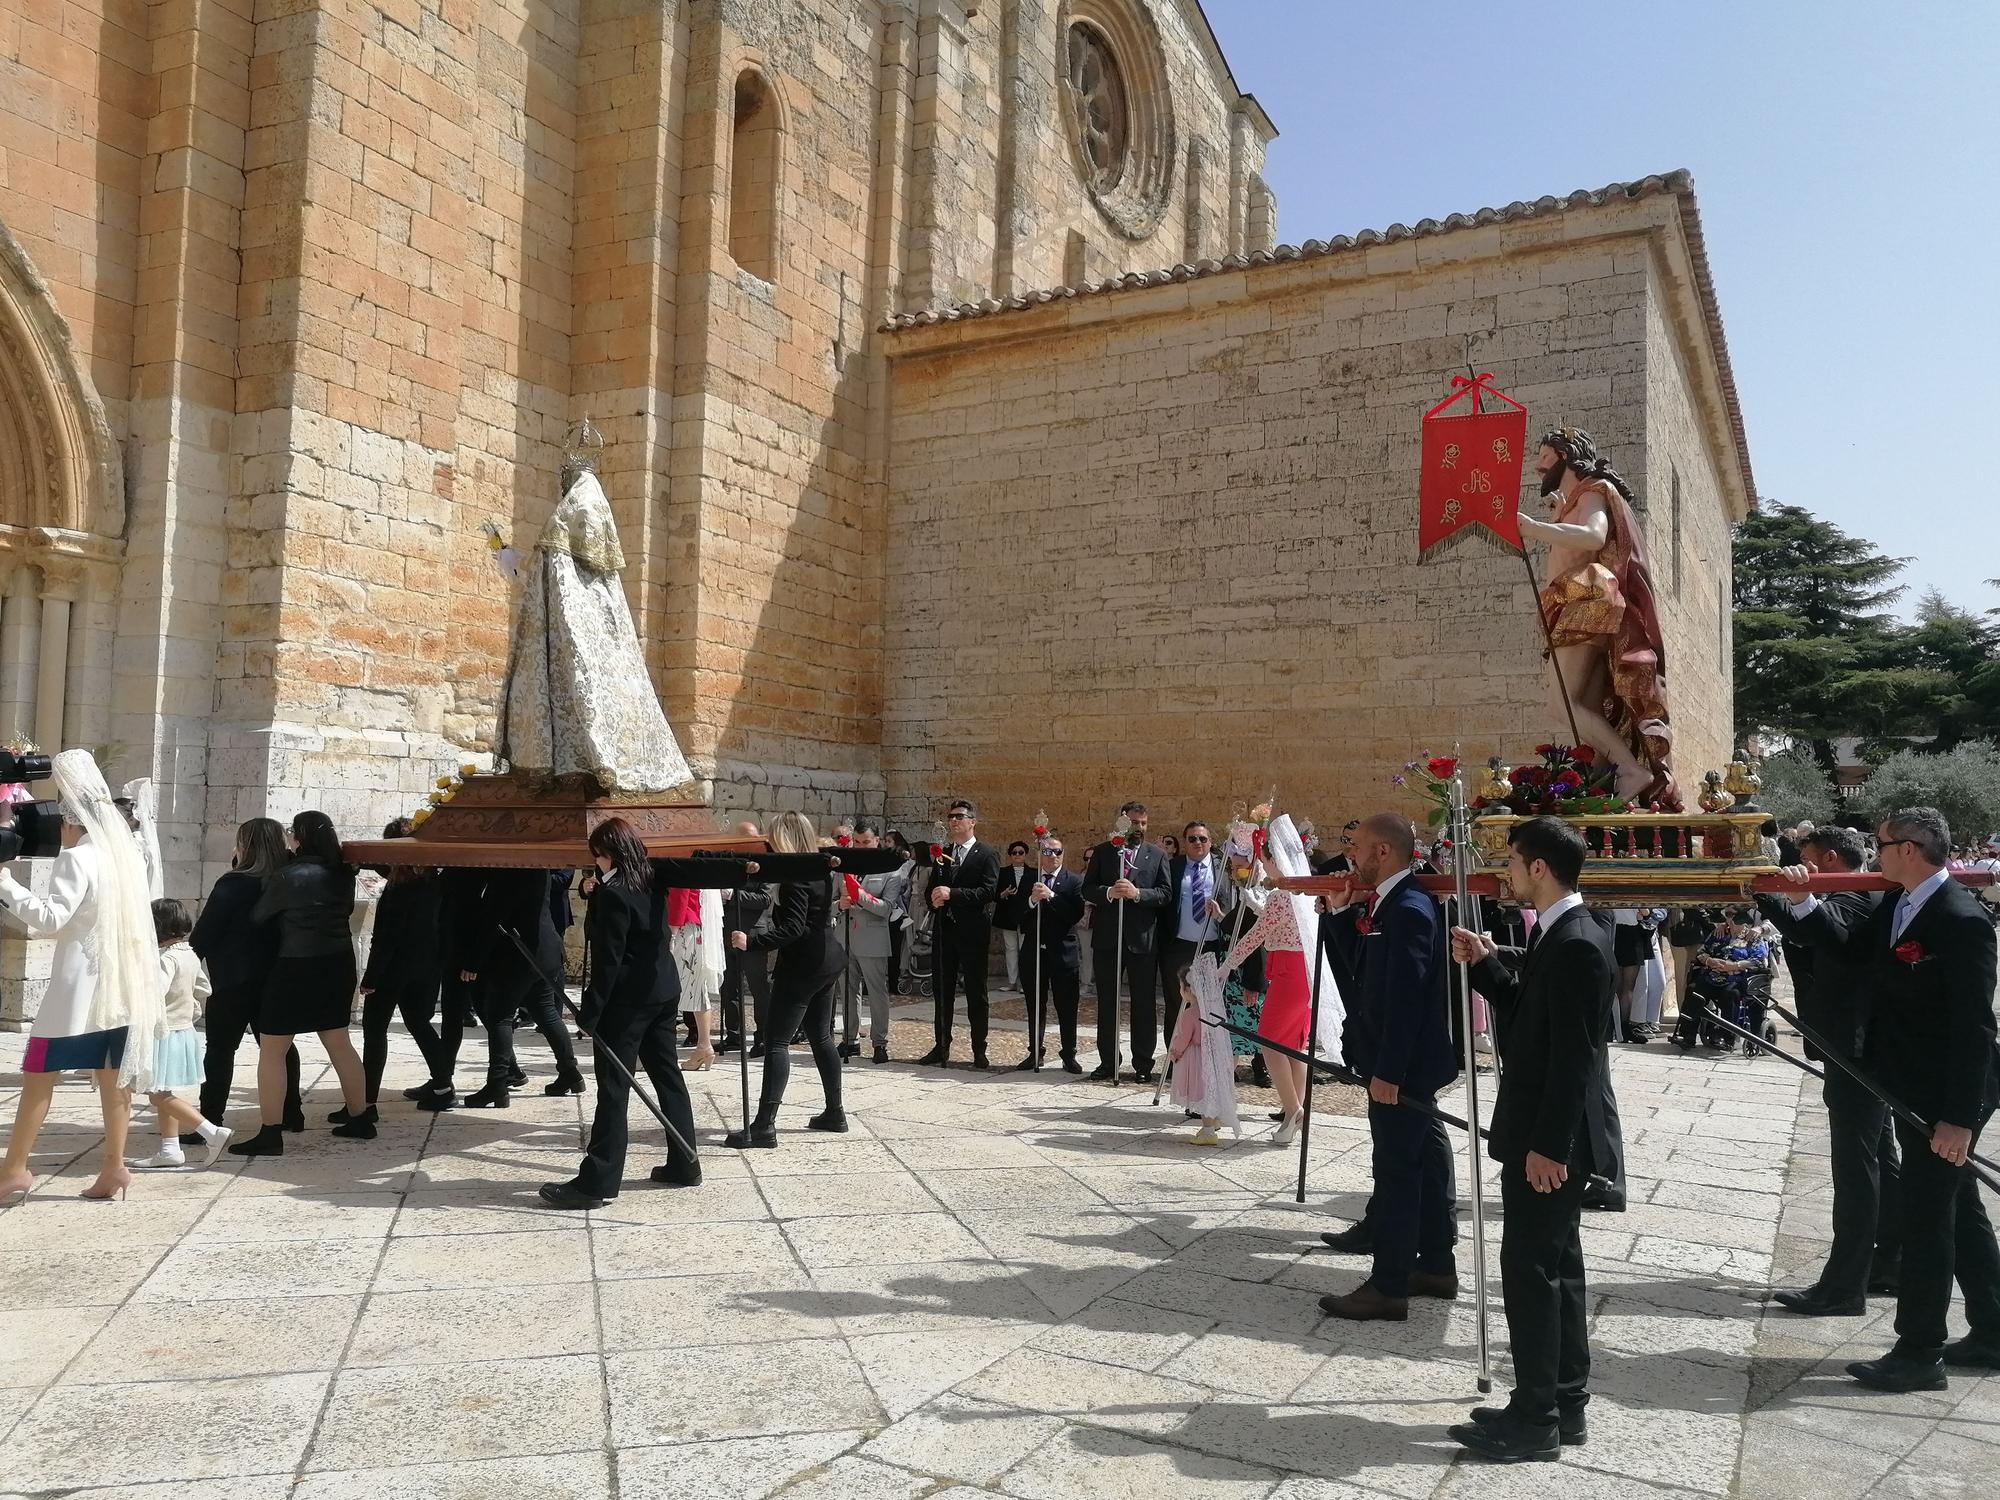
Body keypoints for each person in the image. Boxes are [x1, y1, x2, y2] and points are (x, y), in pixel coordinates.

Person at [1783, 808, 2000, 1393]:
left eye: (1880, 845)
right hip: (1904, 1084)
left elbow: (1975, 1028)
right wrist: (1803, 902)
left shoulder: (1960, 918)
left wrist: (1959, 1119)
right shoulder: (1902, 905)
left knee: (1928, 1221)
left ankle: (1918, 1352)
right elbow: (1851, 950)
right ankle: (1994, 1327)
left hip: (1941, 1098)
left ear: (1909, 848)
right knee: (1959, 1207)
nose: (1873, 853)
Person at [1447, 815, 1615, 1460]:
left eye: (1512, 863)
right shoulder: (1563, 931)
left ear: (1538, 867)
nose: (1506, 875)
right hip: (1542, 1134)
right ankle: (1562, 1400)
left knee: (1531, 1273)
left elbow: (1575, 1056)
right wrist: (1488, 965)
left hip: (1548, 1141)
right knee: (1558, 1268)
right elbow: (1531, 1019)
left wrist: (1550, 1145)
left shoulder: (1574, 941)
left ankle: (1536, 1417)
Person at [0, 750, 167, 1203]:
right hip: (123, 986)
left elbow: (52, 918)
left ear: (70, 821)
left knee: (39, 1072)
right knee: (114, 1076)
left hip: (78, 993)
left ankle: (14, 1168)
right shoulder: (128, 853)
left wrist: (5, 882)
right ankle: (115, 1166)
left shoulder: (77, 859)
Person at [1316, 812, 1459, 1322]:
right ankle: (1437, 1265)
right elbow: (1364, 972)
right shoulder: (1391, 904)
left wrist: (1390, 1072)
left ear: (1383, 852)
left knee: (1397, 1171)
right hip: (1399, 1064)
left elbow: (1406, 999)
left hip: (1403, 1069)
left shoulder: (1409, 907)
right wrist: (1336, 916)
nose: (1348, 855)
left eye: (1356, 846)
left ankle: (1389, 1284)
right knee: (1427, 1159)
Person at [1760, 825, 1900, 1316]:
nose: (1806, 869)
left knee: (1857, 1166)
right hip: (1854, 1045)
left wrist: (1788, 891)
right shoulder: (1847, 894)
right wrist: (1763, 890)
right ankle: (1891, 1262)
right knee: (1880, 1154)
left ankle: (1844, 1285)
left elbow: (1827, 933)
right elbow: (1804, 928)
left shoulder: (1859, 896)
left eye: (1811, 861)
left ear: (1834, 859)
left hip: (1859, 1050)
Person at [540, 818, 702, 1209]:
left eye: (596, 855)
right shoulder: (652, 880)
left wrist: (590, 1013)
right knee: (668, 1077)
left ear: (606, 854)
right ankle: (685, 1163)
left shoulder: (614, 892)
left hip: (628, 1004)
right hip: (662, 991)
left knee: (614, 1089)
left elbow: (609, 963)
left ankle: (597, 1182)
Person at [1524, 427, 1679, 807]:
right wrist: (1556, 516)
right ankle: (1595, 783)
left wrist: (1534, 528)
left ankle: (1630, 769)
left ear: (1564, 456)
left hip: (1583, 598)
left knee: (1559, 703)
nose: (1537, 466)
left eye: (1544, 457)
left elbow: (1595, 537)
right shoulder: (1573, 499)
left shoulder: (1592, 491)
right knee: (1587, 709)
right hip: (1574, 600)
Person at [230, 810, 371, 1155]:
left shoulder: (287, 876)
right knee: (339, 1042)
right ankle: (361, 1117)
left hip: (295, 966)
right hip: (337, 963)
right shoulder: (343, 873)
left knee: (272, 1048)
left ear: (301, 836)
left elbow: (259, 916)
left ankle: (270, 1132)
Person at [727, 811, 848, 1146]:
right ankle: (834, 1112)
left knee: (777, 1042)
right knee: (821, 1037)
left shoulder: (796, 876)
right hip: (827, 958)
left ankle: (764, 1125)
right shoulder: (820, 868)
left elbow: (793, 928)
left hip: (804, 964)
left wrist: (752, 942)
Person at [190, 818, 301, 1135]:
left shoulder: (233, 884)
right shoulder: (287, 881)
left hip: (232, 980)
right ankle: (291, 1112)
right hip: (276, 979)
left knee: (221, 1049)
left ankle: (211, 1119)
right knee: (280, 1049)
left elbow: (204, 935)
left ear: (245, 845)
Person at [452, 866, 587, 1106]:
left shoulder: (510, 870)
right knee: (546, 1012)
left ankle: (497, 1084)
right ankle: (570, 1072)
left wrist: (473, 962)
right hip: (546, 950)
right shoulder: (537, 867)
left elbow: (494, 916)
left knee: (499, 1016)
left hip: (519, 954)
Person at [356, 818, 452, 1109]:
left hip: (393, 971)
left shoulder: (399, 890)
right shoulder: (435, 881)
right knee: (419, 1024)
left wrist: (370, 978)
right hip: (426, 968)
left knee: (375, 1030)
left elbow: (387, 940)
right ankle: (443, 1086)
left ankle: (365, 1102)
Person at [133, 898, 233, 1169]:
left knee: (157, 1094)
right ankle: (170, 1149)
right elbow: (205, 988)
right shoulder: (189, 954)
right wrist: (190, 1008)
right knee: (164, 1092)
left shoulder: (166, 960)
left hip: (163, 1033)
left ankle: (211, 1132)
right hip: (184, 1032)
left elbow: (156, 993)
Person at [1081, 801, 1172, 1081]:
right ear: (1121, 821)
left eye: (1143, 823)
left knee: (1143, 1004)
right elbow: (1087, 888)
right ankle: (1109, 1061)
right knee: (1108, 1001)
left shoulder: (1156, 855)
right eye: (1134, 822)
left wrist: (1138, 894)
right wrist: (1109, 892)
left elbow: (1165, 893)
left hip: (1141, 941)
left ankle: (1143, 1064)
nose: (1140, 828)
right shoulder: (1104, 851)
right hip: (1109, 939)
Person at [921, 799, 999, 1069]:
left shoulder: (986, 853)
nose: (954, 821)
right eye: (951, 817)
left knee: (976, 992)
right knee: (943, 991)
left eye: (959, 817)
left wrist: (952, 894)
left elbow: (988, 892)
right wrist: (934, 899)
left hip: (973, 932)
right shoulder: (942, 854)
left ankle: (979, 1048)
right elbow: (931, 889)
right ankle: (941, 1046)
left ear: (972, 821)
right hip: (945, 931)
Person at [1160, 821, 1236, 1056]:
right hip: (1178, 945)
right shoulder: (1172, 867)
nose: (1197, 843)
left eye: (1202, 839)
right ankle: (1176, 1055)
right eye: (1192, 839)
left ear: (1210, 843)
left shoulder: (1223, 868)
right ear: (1185, 843)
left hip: (1211, 945)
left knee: (1211, 1002)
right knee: (1177, 1003)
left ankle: (1209, 1056)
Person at [1017, 832, 1086, 1072]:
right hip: (1034, 952)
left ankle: (1069, 1054)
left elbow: (1074, 914)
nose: (1053, 856)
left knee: (1067, 1006)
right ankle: (1035, 1052)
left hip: (1063, 954)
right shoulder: (1029, 880)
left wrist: (1052, 896)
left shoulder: (1073, 881)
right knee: (1035, 1004)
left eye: (1058, 852)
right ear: (1041, 855)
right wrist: (1032, 901)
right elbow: (1016, 915)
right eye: (1048, 852)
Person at [840, 817, 906, 1064]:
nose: (860, 846)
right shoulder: (846, 863)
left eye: (866, 842)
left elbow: (888, 908)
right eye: (856, 842)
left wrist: (861, 897)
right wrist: (840, 903)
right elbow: (834, 898)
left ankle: (880, 1042)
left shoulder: (890, 869)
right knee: (847, 989)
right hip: (846, 935)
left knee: (877, 992)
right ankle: (850, 1039)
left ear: (877, 841)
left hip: (873, 936)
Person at [719, 819, 774, 1054]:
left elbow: (765, 899)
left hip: (753, 934)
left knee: (759, 988)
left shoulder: (766, 865)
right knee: (728, 988)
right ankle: (733, 1035)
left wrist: (733, 895)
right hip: (727, 931)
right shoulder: (728, 863)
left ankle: (763, 1035)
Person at [1168, 963, 1238, 1144]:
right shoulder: (1214, 1012)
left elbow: (1183, 1038)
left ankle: (1208, 1132)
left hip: (1197, 1059)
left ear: (1188, 989)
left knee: (1203, 1094)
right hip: (1214, 1057)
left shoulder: (1190, 1014)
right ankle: (1212, 1124)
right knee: (1211, 1091)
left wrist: (1175, 1052)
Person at [991, 840, 1033, 995]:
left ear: (1025, 854)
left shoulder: (1033, 873)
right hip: (1008, 916)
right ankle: (1012, 981)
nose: (1017, 855)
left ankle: (1024, 981)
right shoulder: (1002, 873)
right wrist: (1004, 894)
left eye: (1020, 852)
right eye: (1014, 852)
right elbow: (993, 894)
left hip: (1025, 917)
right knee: (1010, 949)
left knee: (1024, 950)